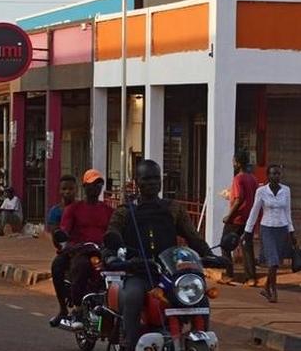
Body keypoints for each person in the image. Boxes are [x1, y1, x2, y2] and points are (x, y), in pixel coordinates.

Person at [105, 160, 216, 351]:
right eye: (147, 178)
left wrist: (209, 254)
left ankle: (200, 337)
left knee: (200, 296)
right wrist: (112, 256)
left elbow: (192, 236)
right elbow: (111, 234)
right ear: (137, 181)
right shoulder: (125, 211)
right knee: (132, 296)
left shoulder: (173, 208)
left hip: (170, 275)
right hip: (138, 272)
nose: (152, 183)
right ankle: (129, 344)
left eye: (156, 178)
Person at [49, 169, 112, 328]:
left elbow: (115, 231)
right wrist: (61, 237)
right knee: (67, 265)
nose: (95, 188)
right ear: (85, 187)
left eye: (99, 184)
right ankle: (71, 309)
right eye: (92, 184)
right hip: (80, 250)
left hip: (103, 251)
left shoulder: (108, 210)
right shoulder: (73, 209)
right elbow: (64, 230)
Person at [244, 164, 295, 303]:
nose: (275, 176)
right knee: (272, 261)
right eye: (272, 174)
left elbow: (288, 212)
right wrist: (248, 231)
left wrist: (291, 231)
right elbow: (254, 211)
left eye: (278, 173)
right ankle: (273, 290)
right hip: (267, 229)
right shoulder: (261, 191)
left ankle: (266, 287)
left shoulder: (286, 190)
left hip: (282, 228)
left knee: (277, 262)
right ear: (268, 176)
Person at [221, 150, 259, 285]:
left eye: (233, 161)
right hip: (249, 217)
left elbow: (239, 199)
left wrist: (228, 216)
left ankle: (228, 274)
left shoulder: (238, 178)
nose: (233, 163)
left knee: (225, 245)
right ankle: (251, 277)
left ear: (237, 162)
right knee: (247, 246)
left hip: (236, 218)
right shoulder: (253, 178)